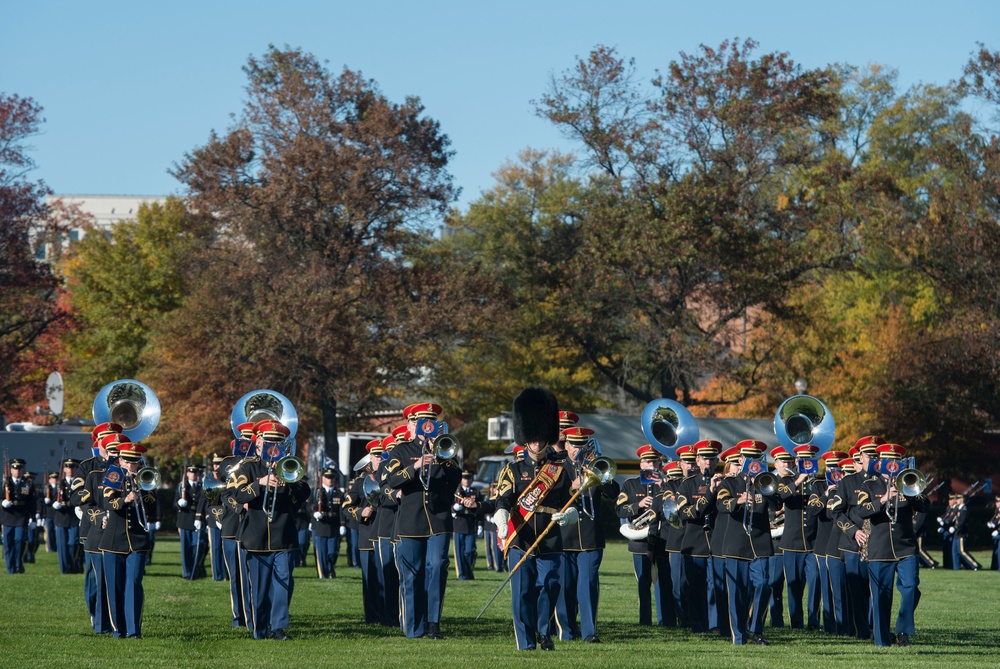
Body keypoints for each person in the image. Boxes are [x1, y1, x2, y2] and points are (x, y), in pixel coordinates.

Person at [492, 386, 578, 651]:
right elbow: (504, 497)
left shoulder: (560, 471)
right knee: (522, 591)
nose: (538, 443)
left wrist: (572, 514)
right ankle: (526, 641)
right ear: (525, 438)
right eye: (533, 438)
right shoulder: (513, 469)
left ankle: (543, 630)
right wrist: (501, 513)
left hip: (550, 535)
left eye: (541, 437)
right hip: (521, 535)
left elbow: (571, 500)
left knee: (551, 584)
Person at [384, 402, 462, 640]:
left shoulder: (443, 449)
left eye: (431, 422)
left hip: (438, 518)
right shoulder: (401, 451)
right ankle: (413, 626)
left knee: (438, 567)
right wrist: (416, 464)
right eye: (422, 422)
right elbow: (392, 480)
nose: (427, 426)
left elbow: (455, 478)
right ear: (413, 425)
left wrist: (441, 455)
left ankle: (433, 623)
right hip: (411, 520)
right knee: (412, 574)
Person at [229, 419, 311, 641]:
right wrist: (261, 483)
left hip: (283, 535)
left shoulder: (288, 464)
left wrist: (289, 482)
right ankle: (259, 627)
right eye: (268, 441)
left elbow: (305, 490)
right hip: (256, 536)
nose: (272, 445)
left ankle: (278, 627)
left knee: (283, 582)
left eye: (277, 441)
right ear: (258, 443)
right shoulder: (248, 467)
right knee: (260, 586)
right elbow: (237, 495)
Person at [857, 443, 929, 647]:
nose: (892, 466)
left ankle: (903, 630)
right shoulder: (869, 486)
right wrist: (884, 499)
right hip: (880, 549)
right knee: (880, 597)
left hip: (906, 547)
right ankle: (881, 641)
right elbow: (860, 511)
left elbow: (924, 505)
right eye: (889, 462)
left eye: (896, 463)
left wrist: (909, 491)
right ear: (880, 464)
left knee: (911, 588)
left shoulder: (907, 483)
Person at [556, 426, 620, 643]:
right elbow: (551, 499)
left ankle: (589, 633)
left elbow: (613, 493)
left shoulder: (594, 466)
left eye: (582, 445)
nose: (578, 449)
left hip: (591, 536)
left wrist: (602, 475)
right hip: (565, 536)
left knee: (589, 585)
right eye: (574, 445)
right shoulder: (558, 468)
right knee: (565, 587)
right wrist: (570, 488)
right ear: (566, 445)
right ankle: (566, 631)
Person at [716, 440, 780, 645]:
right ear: (741, 459)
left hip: (760, 543)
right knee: (736, 594)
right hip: (736, 544)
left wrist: (765, 486)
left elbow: (778, 503)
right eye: (748, 458)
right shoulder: (730, 482)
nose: (752, 462)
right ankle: (739, 636)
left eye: (757, 458)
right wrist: (739, 500)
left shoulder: (765, 481)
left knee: (764, 584)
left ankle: (756, 630)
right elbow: (721, 503)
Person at [828, 437, 884, 640]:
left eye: (877, 456)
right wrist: (852, 531)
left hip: (879, 544)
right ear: (861, 457)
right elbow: (835, 512)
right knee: (857, 591)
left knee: (878, 589)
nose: (873, 459)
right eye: (869, 456)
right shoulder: (848, 481)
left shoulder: (884, 481)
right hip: (854, 544)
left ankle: (877, 628)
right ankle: (862, 629)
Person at [100, 442, 155, 639]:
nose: (133, 466)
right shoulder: (114, 475)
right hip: (115, 540)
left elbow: (153, 508)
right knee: (115, 587)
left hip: (137, 540)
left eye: (136, 462)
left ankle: (134, 630)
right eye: (129, 462)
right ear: (121, 460)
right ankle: (118, 629)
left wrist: (143, 494)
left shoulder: (144, 478)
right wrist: (126, 499)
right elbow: (107, 501)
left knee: (134, 583)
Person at [615, 444, 668, 627]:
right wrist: (638, 505)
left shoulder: (667, 484)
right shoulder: (630, 484)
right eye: (647, 461)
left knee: (663, 583)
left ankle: (665, 621)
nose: (650, 465)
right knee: (643, 583)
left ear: (659, 464)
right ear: (641, 464)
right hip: (640, 541)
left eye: (654, 461)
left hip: (663, 539)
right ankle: (644, 621)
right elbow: (619, 510)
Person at [675, 440, 722, 634]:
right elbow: (682, 512)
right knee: (696, 587)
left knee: (716, 586)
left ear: (717, 460)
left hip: (718, 541)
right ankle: (698, 625)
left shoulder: (724, 482)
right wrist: (709, 494)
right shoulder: (687, 485)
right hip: (694, 542)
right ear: (697, 460)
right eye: (704, 458)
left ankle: (715, 624)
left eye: (712, 458)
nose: (708, 462)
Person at [345, 439, 384, 625]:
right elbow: (346, 507)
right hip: (368, 536)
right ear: (371, 459)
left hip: (386, 535)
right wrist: (360, 512)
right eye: (377, 456)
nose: (381, 458)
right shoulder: (360, 482)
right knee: (370, 581)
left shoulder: (390, 479)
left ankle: (388, 615)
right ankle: (373, 617)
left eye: (383, 455)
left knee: (388, 578)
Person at [219, 436, 252, 629]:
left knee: (251, 576)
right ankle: (238, 616)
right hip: (232, 529)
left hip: (252, 528)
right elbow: (226, 494)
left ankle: (253, 614)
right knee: (236, 577)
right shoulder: (229, 465)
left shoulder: (256, 466)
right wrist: (240, 506)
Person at [1, 457, 36, 574]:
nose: (17, 471)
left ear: (23, 469)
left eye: (20, 468)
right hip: (7, 516)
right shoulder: (5, 483)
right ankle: (10, 568)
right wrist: (3, 502)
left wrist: (33, 517)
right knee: (8, 543)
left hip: (21, 516)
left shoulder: (26, 483)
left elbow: (31, 501)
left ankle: (18, 563)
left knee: (19, 541)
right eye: (15, 468)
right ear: (11, 470)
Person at [175, 464, 208, 580]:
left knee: (198, 546)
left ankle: (196, 569)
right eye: (191, 472)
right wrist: (180, 503)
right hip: (185, 520)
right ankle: (187, 573)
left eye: (196, 473)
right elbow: (175, 503)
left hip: (197, 520)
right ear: (187, 474)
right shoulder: (181, 487)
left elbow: (203, 502)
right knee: (186, 549)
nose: (194, 475)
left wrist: (200, 518)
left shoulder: (201, 487)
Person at [312, 467, 344, 579]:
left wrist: (342, 524)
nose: (330, 480)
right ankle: (324, 574)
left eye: (332, 478)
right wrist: (315, 512)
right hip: (321, 526)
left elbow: (341, 510)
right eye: (327, 477)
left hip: (334, 526)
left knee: (333, 552)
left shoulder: (338, 493)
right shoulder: (317, 492)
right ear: (322, 478)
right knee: (321, 553)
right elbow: (310, 505)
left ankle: (330, 568)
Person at [51, 460, 82, 574]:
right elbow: (51, 498)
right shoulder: (60, 483)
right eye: (67, 467)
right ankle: (65, 569)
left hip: (74, 517)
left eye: (72, 467)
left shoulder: (79, 483)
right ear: (64, 469)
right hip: (61, 517)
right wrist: (55, 502)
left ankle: (74, 565)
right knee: (62, 546)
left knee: (73, 543)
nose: (70, 470)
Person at [453, 470, 481, 581]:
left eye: (468, 478)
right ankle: (462, 575)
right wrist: (454, 508)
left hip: (470, 524)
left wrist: (480, 524)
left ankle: (468, 571)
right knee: (459, 553)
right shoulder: (456, 491)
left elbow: (479, 509)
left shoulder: (476, 492)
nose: (466, 480)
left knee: (470, 551)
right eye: (464, 478)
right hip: (459, 523)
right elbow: (450, 505)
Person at [206, 454, 227, 581]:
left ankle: (226, 574)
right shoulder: (209, 479)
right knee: (215, 548)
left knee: (226, 548)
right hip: (214, 518)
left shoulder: (227, 478)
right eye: (215, 464)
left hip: (226, 518)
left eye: (219, 464)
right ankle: (217, 575)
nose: (216, 466)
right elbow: (206, 500)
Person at [952, 492, 982, 570]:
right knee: (955, 552)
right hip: (957, 533)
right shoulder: (958, 509)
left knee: (962, 551)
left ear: (962, 500)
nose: (956, 500)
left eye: (958, 499)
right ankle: (956, 568)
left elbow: (962, 522)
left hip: (961, 533)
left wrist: (955, 527)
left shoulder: (964, 509)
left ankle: (975, 565)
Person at [987, 496, 1000, 571]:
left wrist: (998, 531)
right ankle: (995, 566)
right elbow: (995, 519)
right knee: (996, 550)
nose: (996, 503)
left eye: (998, 502)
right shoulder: (997, 511)